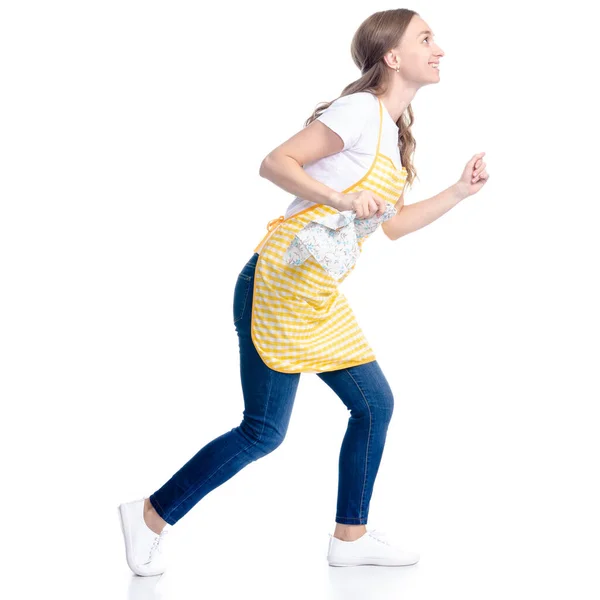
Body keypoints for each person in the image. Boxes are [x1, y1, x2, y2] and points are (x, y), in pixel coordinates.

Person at [118, 8, 489, 576]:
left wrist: (458, 193)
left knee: (374, 405)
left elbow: (390, 225)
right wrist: (339, 200)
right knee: (263, 432)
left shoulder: (390, 131)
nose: (440, 48)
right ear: (392, 56)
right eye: (426, 38)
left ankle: (350, 535)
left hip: (316, 290)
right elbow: (275, 162)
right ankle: (149, 515)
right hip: (280, 282)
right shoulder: (360, 110)